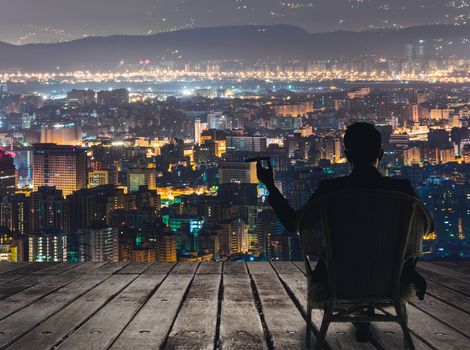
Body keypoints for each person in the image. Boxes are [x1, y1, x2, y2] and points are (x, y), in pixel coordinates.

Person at [256, 122, 431, 342]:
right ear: (381, 154)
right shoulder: (402, 190)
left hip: (337, 280)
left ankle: (360, 317)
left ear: (346, 155)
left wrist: (270, 186)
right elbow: (426, 229)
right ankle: (367, 315)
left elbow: (294, 225)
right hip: (392, 280)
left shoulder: (331, 191)